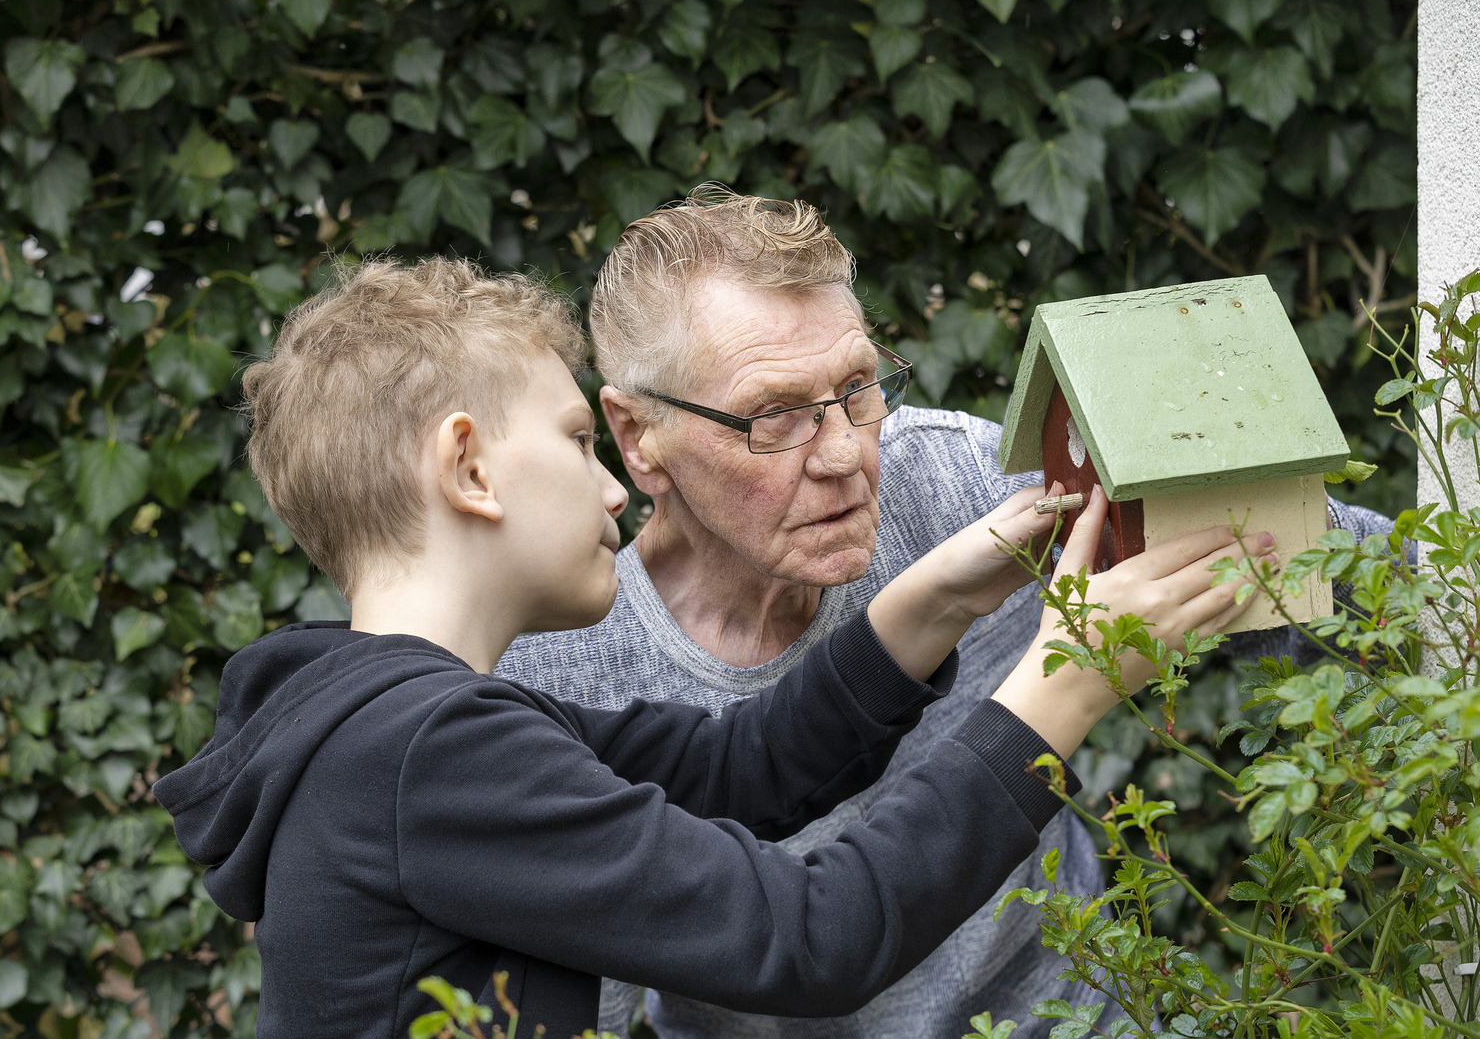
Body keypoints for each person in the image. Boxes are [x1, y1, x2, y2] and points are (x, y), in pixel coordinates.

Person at [154, 257, 1259, 1039]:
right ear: (470, 470)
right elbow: (815, 935)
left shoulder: (407, 722)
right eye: (580, 440)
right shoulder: (427, 753)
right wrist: (1061, 688)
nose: (608, 486)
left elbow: (739, 769)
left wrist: (925, 604)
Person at [495, 190, 1395, 1038]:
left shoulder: (951, 482)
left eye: (858, 385)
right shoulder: (559, 663)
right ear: (640, 436)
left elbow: (1332, 564)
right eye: (774, 417)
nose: (847, 452)